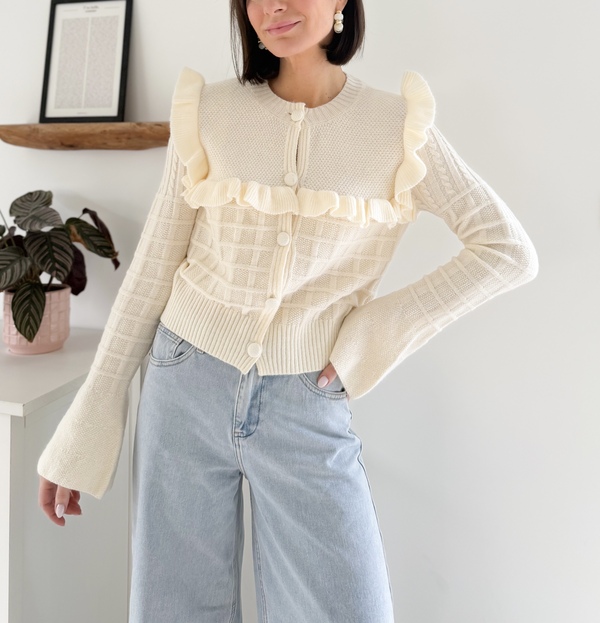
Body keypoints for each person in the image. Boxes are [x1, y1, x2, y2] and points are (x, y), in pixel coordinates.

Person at [37, 0, 539, 621]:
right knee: (174, 609)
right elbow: (153, 269)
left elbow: (505, 250)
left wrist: (374, 332)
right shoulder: (210, 110)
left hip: (307, 398)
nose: (273, 6)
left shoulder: (397, 128)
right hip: (183, 382)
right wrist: (85, 426)